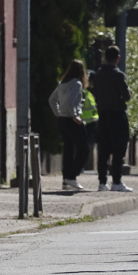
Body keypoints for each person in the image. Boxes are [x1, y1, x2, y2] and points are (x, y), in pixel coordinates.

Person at [90, 46, 133, 192]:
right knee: (119, 148)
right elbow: (126, 96)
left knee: (104, 149)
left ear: (105, 57)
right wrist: (129, 93)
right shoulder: (118, 75)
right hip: (117, 114)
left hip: (103, 114)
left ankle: (102, 182)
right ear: (118, 58)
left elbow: (96, 92)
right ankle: (116, 181)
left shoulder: (99, 75)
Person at [49, 59, 90, 191]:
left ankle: (66, 180)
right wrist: (74, 116)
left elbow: (52, 100)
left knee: (69, 149)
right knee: (84, 149)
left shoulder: (62, 83)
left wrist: (59, 113)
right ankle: (72, 176)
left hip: (62, 120)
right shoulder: (77, 84)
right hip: (72, 120)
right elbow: (71, 102)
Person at [82, 72, 99, 174]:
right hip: (84, 123)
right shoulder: (84, 92)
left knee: (87, 146)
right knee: (84, 147)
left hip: (90, 123)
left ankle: (81, 167)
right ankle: (79, 167)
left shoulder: (89, 93)